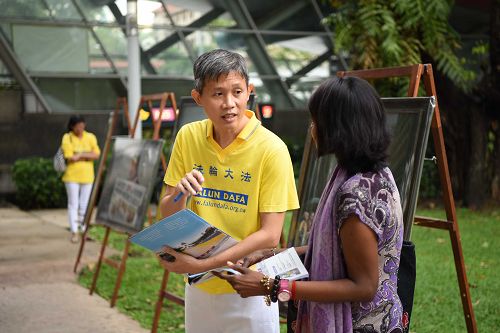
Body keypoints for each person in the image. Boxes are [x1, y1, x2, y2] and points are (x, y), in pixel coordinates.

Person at [216, 76, 404, 333]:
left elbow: (363, 287)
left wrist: (272, 286)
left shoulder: (356, 196)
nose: (312, 128)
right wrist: (273, 255)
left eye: (316, 120)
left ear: (337, 127)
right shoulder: (371, 173)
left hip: (359, 325)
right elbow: (339, 249)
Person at [158, 49, 299, 333]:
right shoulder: (188, 137)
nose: (229, 104)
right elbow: (167, 211)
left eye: (237, 92)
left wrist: (202, 264)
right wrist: (179, 195)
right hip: (199, 289)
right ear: (198, 98)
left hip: (250, 287)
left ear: (249, 92)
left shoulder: (271, 149)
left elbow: (270, 234)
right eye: (218, 94)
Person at [61, 115, 100, 243]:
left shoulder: (90, 137)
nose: (80, 128)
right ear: (72, 126)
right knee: (73, 204)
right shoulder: (67, 137)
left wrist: (81, 155)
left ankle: (83, 230)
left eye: (82, 125)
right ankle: (74, 231)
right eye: (78, 125)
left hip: (88, 176)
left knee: (84, 204)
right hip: (72, 176)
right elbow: (69, 156)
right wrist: (87, 155)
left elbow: (96, 154)